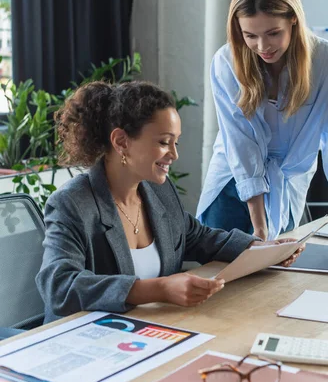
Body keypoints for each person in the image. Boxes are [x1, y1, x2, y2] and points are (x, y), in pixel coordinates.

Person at [37, 81, 300, 323]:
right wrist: (159, 288)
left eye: (176, 142)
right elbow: (59, 286)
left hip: (148, 329)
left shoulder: (157, 191)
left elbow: (196, 237)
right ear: (121, 141)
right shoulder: (72, 203)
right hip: (85, 341)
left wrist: (261, 250)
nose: (174, 154)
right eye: (164, 142)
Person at [197, 0, 328, 258]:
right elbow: (242, 146)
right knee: (222, 287)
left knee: (277, 285)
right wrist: (259, 232)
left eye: (273, 33)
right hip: (234, 187)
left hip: (287, 187)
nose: (262, 46)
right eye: (250, 35)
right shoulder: (226, 63)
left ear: (294, 21)